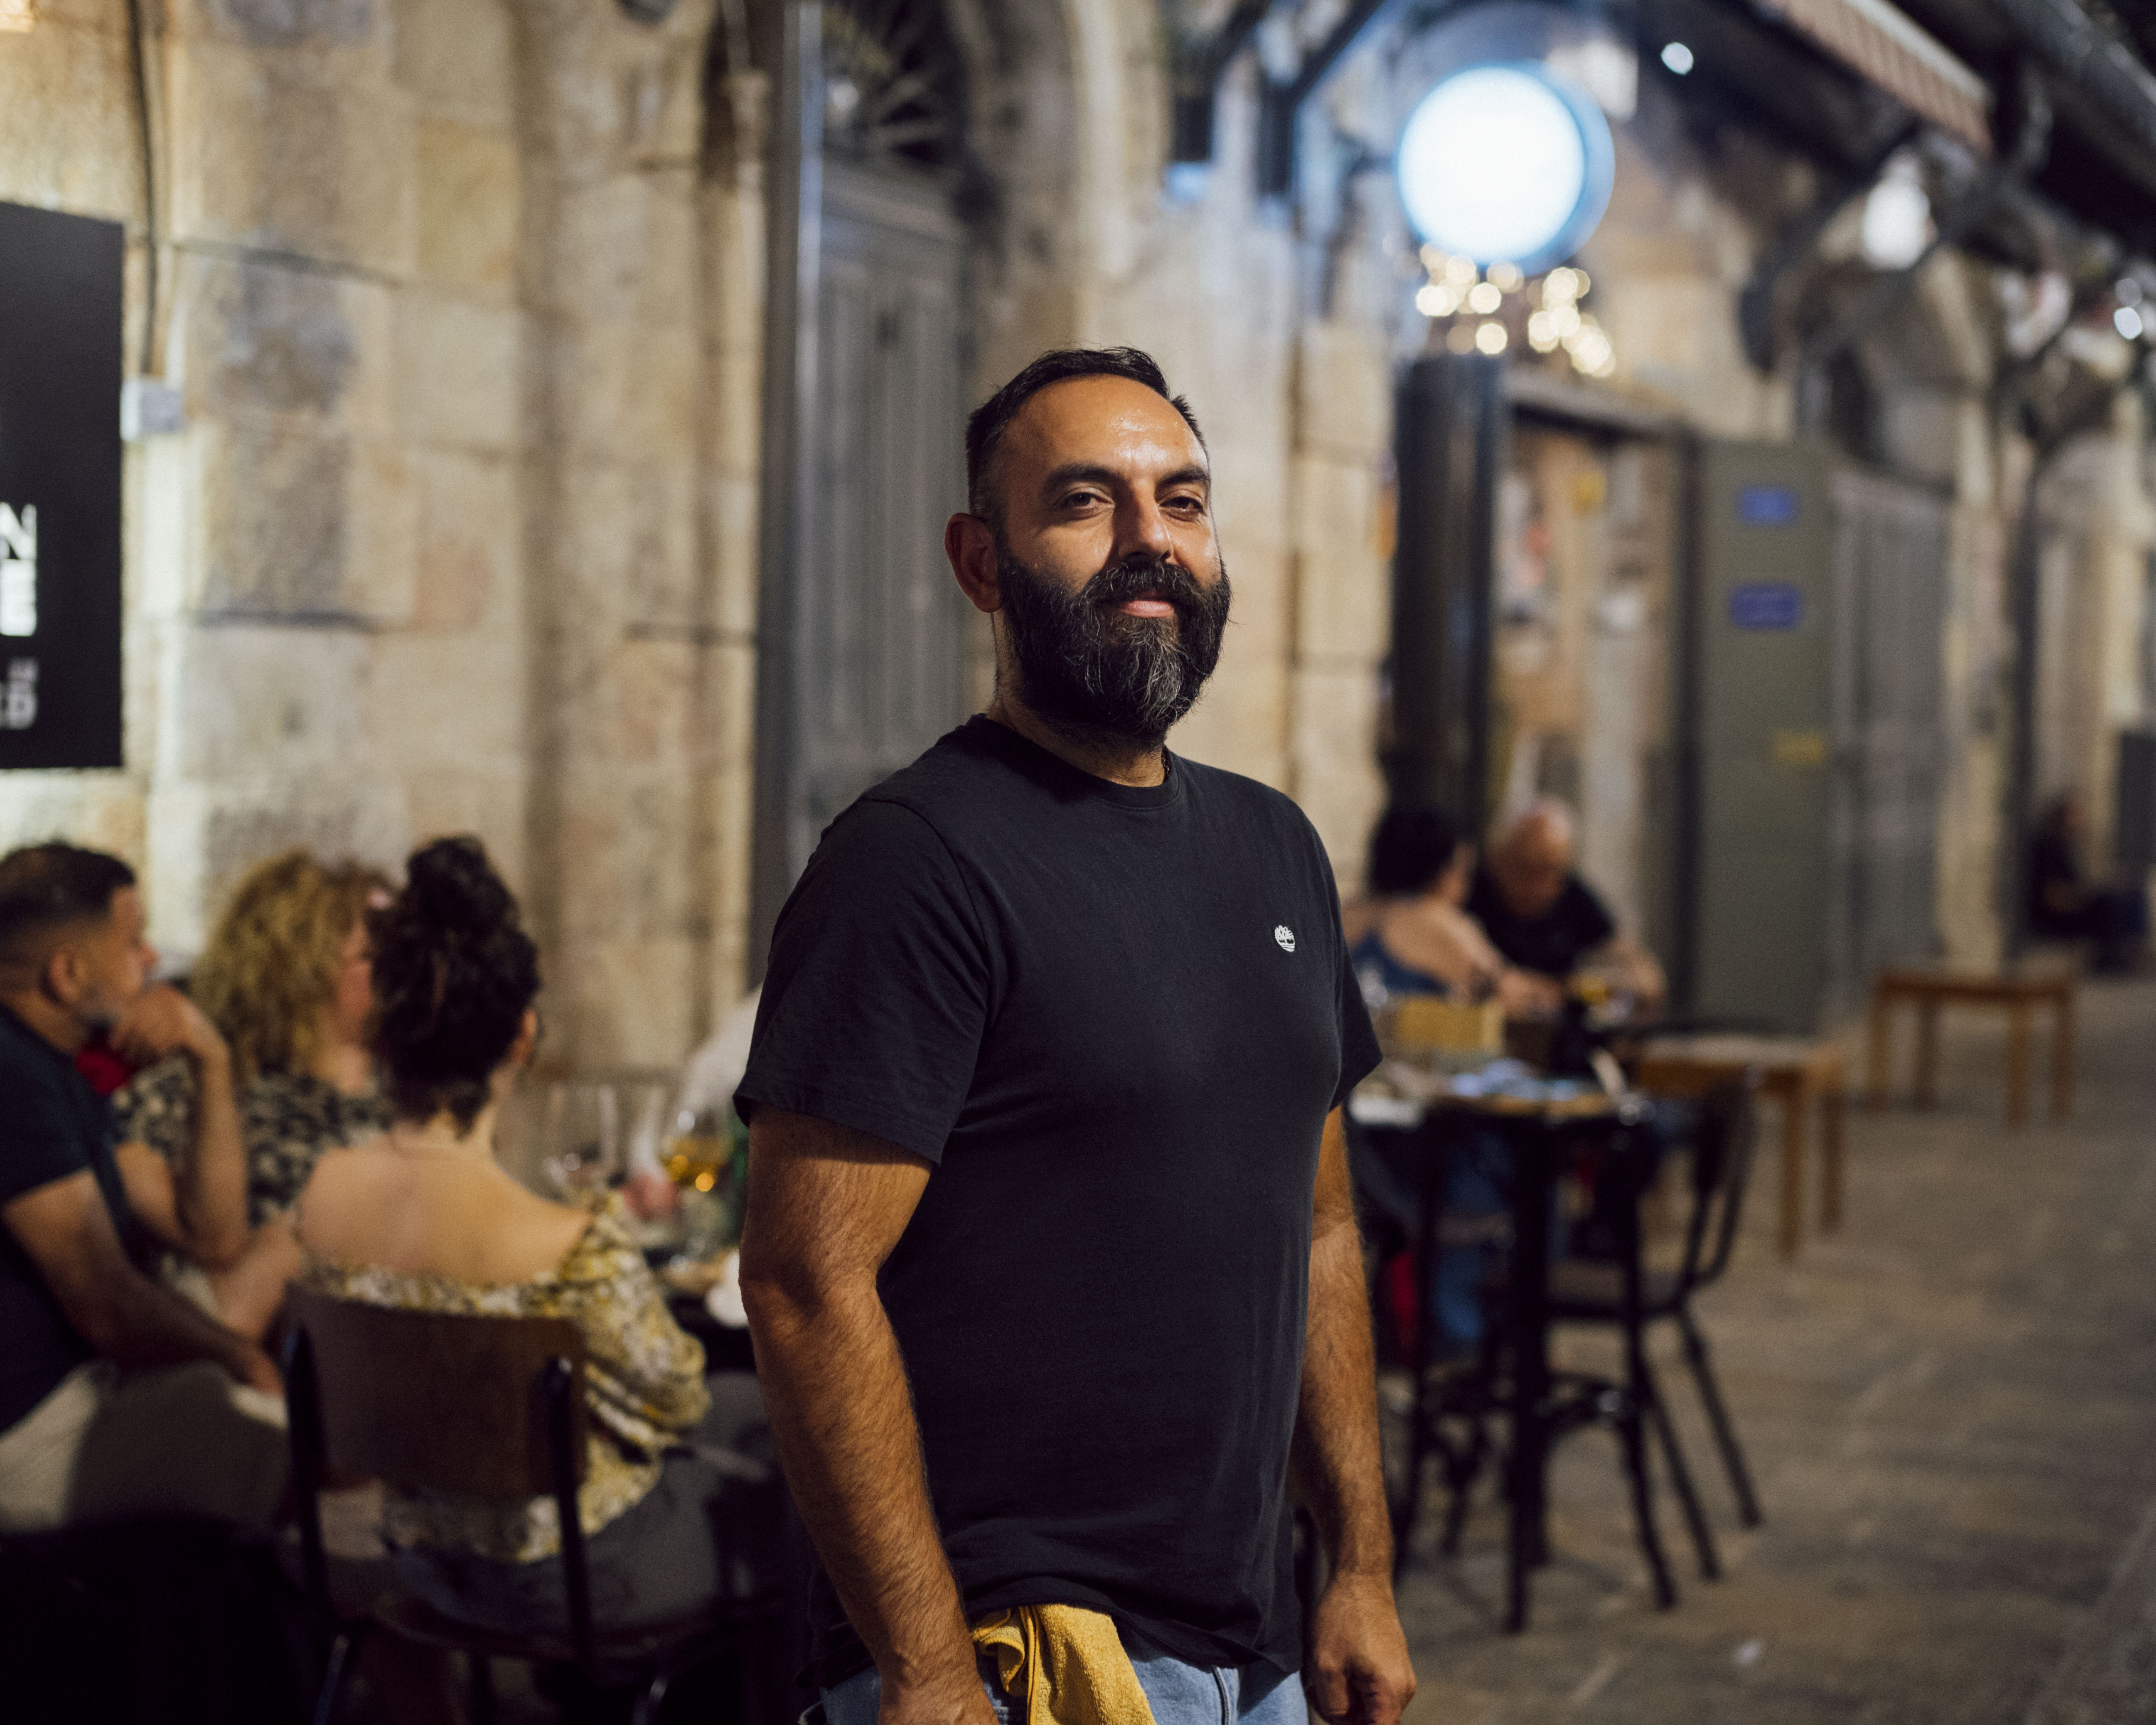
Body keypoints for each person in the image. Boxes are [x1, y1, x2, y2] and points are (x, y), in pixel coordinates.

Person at [737, 347, 1414, 1725]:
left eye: (1181, 499)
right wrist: (925, 1674)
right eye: (1085, 503)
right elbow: (805, 1283)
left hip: (1250, 1640)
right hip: (1016, 1652)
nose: (1148, 540)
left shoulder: (1274, 848)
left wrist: (1361, 1561)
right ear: (981, 561)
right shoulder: (913, 862)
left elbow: (1322, 1223)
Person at [294, 837, 764, 1642]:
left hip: (418, 1560)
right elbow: (676, 1399)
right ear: (522, 1034)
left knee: (743, 1414)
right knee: (780, 1454)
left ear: (385, 1035)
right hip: (574, 1579)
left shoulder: (326, 1192)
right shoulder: (568, 1241)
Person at [0, 843, 286, 1532]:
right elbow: (107, 1306)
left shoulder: (58, 1064)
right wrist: (240, 1356)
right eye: (133, 942)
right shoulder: (12, 1079)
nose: (153, 959)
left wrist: (210, 1060)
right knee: (294, 1442)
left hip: (75, 1390)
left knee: (283, 1246)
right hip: (25, 1435)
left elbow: (211, 1236)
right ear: (67, 973)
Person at [109, 849, 393, 1337]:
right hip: (240, 1346)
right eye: (373, 955)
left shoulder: (409, 1090)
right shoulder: (190, 1087)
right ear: (302, 964)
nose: (399, 970)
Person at [1341, 801, 1554, 1015]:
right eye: (1463, 873)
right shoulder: (1438, 919)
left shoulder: (1343, 913)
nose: (1465, 890)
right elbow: (1512, 992)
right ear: (1443, 874)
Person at [1467, 798, 1665, 1011]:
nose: (1538, 885)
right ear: (1496, 858)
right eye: (1525, 868)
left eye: (1550, 871)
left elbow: (1647, 982)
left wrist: (1574, 990)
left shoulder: (1575, 895)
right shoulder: (1469, 890)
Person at [2030, 794, 2148, 971]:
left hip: (2074, 906)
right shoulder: (2049, 848)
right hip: (2058, 919)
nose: (2081, 820)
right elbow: (2053, 896)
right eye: (2075, 815)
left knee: (2132, 896)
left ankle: (2133, 951)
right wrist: (2085, 896)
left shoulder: (2066, 846)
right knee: (2112, 903)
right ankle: (2116, 959)